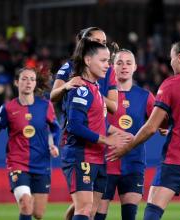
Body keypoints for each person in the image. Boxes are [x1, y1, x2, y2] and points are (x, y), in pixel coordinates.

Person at [108, 38, 180, 220]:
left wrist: (127, 147)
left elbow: (151, 127)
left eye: (171, 58)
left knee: (152, 211)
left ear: (179, 58)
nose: (170, 63)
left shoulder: (172, 83)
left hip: (177, 156)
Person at [61, 38, 131, 220]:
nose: (108, 65)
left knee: (90, 212)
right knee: (83, 209)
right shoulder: (81, 89)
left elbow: (100, 123)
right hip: (81, 156)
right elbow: (75, 126)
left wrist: (120, 133)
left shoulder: (96, 89)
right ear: (87, 60)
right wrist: (106, 140)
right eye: (103, 60)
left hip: (99, 158)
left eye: (108, 61)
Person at [0, 67, 60, 220]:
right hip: (17, 163)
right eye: (24, 79)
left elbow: (55, 128)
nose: (28, 82)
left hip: (41, 164)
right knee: (25, 203)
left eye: (32, 79)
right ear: (17, 82)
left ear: (35, 83)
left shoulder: (45, 106)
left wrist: (55, 144)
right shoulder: (8, 108)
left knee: (38, 213)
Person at [95, 49, 155, 220]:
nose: (124, 67)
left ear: (135, 67)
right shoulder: (101, 95)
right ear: (112, 67)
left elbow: (160, 120)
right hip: (104, 163)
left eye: (129, 63)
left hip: (133, 164)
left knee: (129, 216)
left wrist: (163, 126)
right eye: (120, 63)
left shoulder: (145, 96)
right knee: (97, 216)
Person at [50, 27, 118, 116]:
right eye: (97, 41)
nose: (101, 45)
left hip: (98, 127)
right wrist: (66, 86)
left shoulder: (109, 69)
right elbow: (53, 97)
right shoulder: (70, 66)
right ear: (86, 42)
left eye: (104, 43)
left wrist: (93, 93)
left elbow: (113, 107)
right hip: (72, 125)